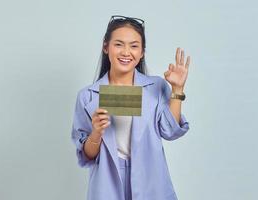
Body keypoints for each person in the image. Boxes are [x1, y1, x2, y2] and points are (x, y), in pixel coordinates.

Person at [71, 15, 191, 200]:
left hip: (151, 179)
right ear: (106, 47)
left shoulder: (156, 87)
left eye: (134, 46)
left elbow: (170, 131)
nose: (126, 52)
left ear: (142, 52)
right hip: (107, 181)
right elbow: (87, 156)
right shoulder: (87, 96)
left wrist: (177, 89)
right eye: (119, 44)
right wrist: (96, 132)